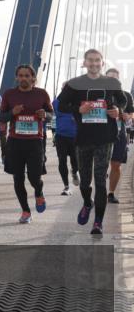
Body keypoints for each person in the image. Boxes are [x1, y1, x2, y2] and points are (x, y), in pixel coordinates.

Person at [56, 49, 133, 235]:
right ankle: (87, 203)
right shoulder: (75, 84)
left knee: (100, 180)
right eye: (90, 60)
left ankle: (98, 222)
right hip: (83, 138)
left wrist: (116, 110)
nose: (94, 63)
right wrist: (78, 108)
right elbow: (60, 104)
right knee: (84, 182)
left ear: (102, 63)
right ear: (84, 62)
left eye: (97, 60)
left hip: (105, 138)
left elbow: (122, 102)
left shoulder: (112, 83)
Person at [0, 64, 53, 224]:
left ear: (33, 78)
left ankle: (39, 193)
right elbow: (1, 116)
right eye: (20, 75)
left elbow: (51, 114)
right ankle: (26, 211)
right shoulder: (9, 95)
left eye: (27, 76)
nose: (23, 78)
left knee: (34, 177)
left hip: (35, 141)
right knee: (18, 178)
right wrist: (12, 113)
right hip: (15, 142)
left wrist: (45, 115)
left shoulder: (41, 94)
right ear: (16, 78)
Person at [105, 68, 133, 204]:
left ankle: (111, 193)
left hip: (119, 133)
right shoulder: (99, 93)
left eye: (115, 79)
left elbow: (132, 113)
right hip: (101, 134)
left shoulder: (126, 95)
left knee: (116, 165)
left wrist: (128, 116)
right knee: (100, 164)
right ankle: (97, 190)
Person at [52, 83, 80, 195]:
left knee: (75, 160)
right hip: (61, 136)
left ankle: (75, 172)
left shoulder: (78, 101)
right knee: (62, 160)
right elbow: (57, 110)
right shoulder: (56, 102)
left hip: (75, 136)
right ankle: (66, 186)